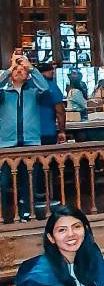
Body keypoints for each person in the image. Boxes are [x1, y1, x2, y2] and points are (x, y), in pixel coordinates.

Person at [0, 48, 49, 220]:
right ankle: (5, 214)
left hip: (31, 142)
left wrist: (31, 68)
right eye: (16, 70)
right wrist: (10, 67)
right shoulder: (3, 93)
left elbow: (46, 88)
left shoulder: (33, 92)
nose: (19, 70)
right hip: (6, 144)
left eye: (22, 70)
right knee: (4, 182)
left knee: (29, 182)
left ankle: (25, 213)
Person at [37, 60, 67, 145]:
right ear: (41, 73)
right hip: (47, 131)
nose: (52, 72)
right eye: (49, 70)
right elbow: (60, 112)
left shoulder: (28, 85)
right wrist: (62, 131)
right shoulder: (51, 86)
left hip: (28, 134)